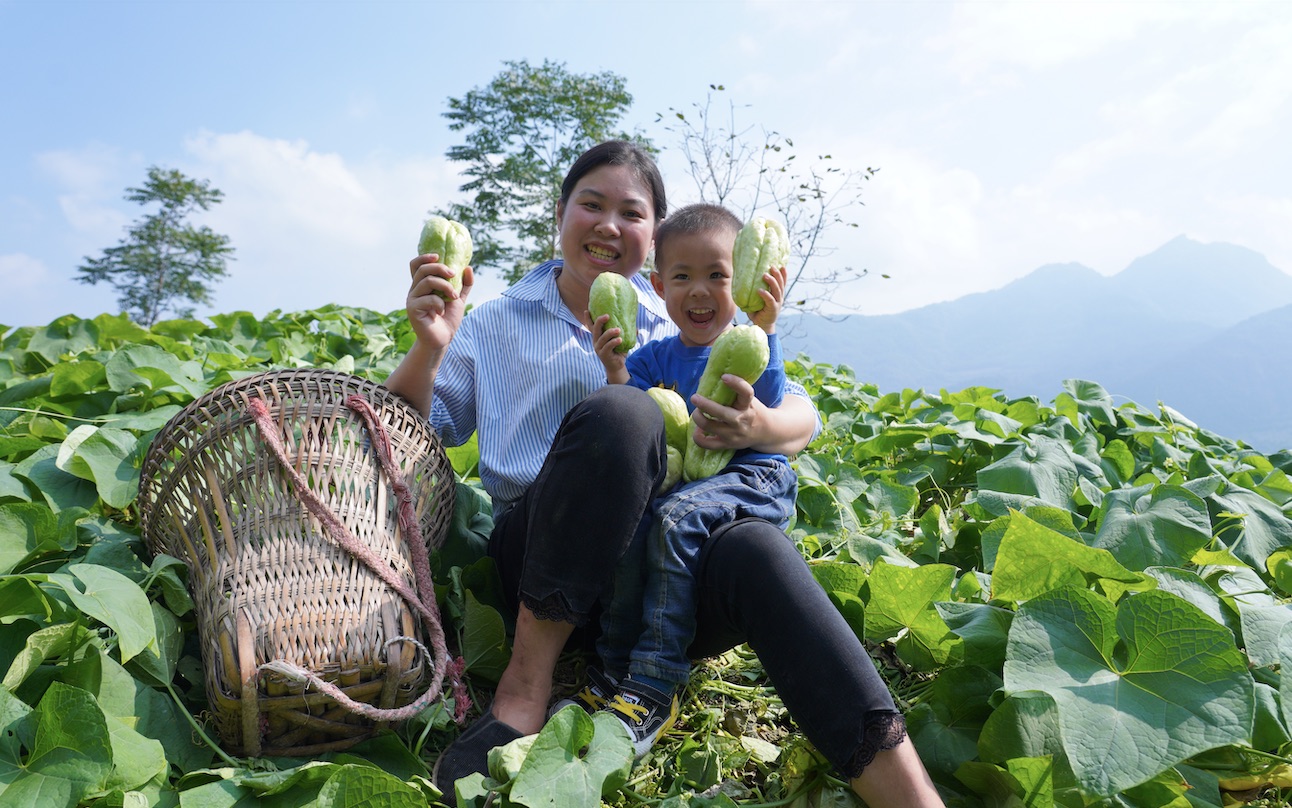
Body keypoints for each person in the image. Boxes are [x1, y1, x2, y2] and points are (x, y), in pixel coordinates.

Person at [383, 140, 944, 808]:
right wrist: (430, 346)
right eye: (592, 204)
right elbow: (405, 434)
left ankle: (905, 790)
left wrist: (762, 421)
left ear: (653, 240)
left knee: (757, 547)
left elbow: (798, 410)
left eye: (633, 212)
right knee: (625, 412)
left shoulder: (686, 309)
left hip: (659, 588)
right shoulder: (496, 322)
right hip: (540, 564)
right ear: (561, 213)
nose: (610, 225)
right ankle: (524, 688)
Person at [576, 203, 797, 756]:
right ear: (657, 286)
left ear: (741, 277)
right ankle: (614, 667)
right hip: (693, 487)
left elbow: (770, 405)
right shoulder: (653, 358)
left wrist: (764, 327)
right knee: (636, 520)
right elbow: (634, 411)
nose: (700, 291)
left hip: (755, 480)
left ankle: (654, 685)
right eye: (682, 277)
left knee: (674, 518)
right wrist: (614, 368)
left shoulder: (754, 345)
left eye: (717, 275)